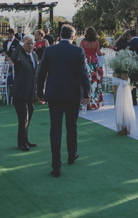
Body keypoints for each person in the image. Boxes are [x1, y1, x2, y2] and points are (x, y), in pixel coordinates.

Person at [37, 25, 91, 177]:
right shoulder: (77, 51)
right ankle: (72, 154)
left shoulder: (50, 50)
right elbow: (83, 74)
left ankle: (56, 165)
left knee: (55, 129)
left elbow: (41, 73)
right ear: (73, 37)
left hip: (54, 94)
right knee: (71, 126)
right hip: (73, 95)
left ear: (60, 35)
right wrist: (87, 93)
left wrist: (40, 93)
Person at [11, 34, 39, 151]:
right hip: (20, 92)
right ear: (23, 44)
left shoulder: (34, 55)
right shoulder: (19, 55)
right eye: (28, 43)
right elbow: (13, 58)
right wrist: (20, 43)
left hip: (30, 92)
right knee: (23, 118)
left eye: (32, 43)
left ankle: (25, 139)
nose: (30, 46)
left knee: (28, 117)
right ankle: (21, 142)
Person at [80, 27, 104, 110]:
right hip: (93, 63)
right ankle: (93, 102)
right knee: (94, 83)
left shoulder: (83, 41)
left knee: (84, 81)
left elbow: (80, 50)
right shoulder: (96, 42)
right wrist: (102, 53)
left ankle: (83, 103)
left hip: (85, 62)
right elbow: (98, 53)